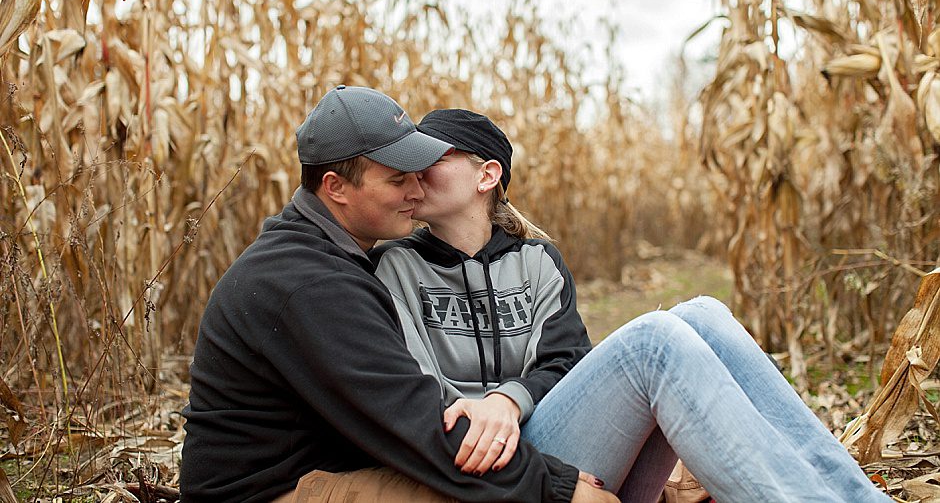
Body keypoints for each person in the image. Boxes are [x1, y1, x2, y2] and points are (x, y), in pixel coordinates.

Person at [371, 108, 891, 503]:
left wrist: (508, 400)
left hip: (549, 439)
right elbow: (411, 391)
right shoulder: (395, 265)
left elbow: (564, 360)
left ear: (486, 176)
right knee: (653, 342)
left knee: (702, 313)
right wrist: (487, 418)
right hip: (489, 469)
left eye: (431, 160)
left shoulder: (536, 261)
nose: (412, 176)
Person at [180, 86, 617, 503]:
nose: (415, 190)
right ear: (335, 188)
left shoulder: (330, 259)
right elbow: (419, 426)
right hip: (273, 493)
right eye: (396, 180)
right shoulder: (309, 282)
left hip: (331, 470)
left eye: (417, 174)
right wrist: (557, 489)